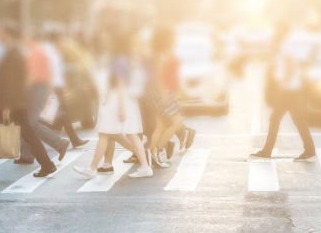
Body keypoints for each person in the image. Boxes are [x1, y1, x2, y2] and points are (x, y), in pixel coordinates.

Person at [0, 24, 57, 180]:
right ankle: (47, 164)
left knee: (4, 132)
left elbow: (13, 82)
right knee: (26, 133)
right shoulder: (13, 52)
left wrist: (7, 106)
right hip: (15, 102)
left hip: (12, 103)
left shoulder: (13, 54)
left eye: (1, 33)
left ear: (8, 35)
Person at [73, 34, 153, 179]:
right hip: (123, 100)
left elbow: (121, 84)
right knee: (127, 134)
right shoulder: (126, 59)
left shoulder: (119, 61)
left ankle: (92, 168)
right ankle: (145, 166)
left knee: (106, 133)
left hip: (119, 101)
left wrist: (121, 108)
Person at [250, 24, 316, 161]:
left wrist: (284, 82)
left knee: (275, 119)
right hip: (292, 88)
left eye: (278, 31)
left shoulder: (286, 46)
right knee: (298, 120)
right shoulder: (285, 45)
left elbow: (290, 64)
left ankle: (267, 150)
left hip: (288, 90)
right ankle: (309, 150)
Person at [16, 34, 69, 165]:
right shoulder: (41, 52)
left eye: (26, 39)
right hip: (42, 88)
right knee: (26, 120)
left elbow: (32, 75)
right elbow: (49, 73)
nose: (24, 42)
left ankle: (60, 143)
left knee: (30, 122)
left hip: (37, 88)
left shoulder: (35, 53)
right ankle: (26, 155)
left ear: (31, 39)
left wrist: (23, 89)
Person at [147, 27, 194, 167]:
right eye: (173, 36)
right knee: (176, 122)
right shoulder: (163, 55)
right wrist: (164, 96)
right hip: (164, 93)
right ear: (167, 39)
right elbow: (159, 77)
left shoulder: (162, 53)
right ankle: (158, 151)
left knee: (160, 126)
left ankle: (152, 155)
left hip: (162, 93)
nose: (176, 38)